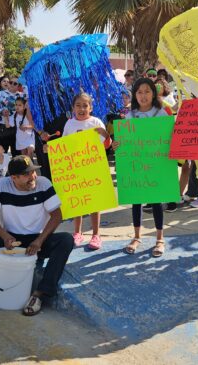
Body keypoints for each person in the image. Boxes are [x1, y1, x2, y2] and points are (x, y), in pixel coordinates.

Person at [0, 155, 74, 316]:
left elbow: (57, 215)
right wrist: (4, 236)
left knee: (66, 240)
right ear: (13, 177)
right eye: (27, 174)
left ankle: (40, 294)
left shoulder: (44, 184)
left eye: (33, 172)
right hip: (9, 240)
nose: (33, 177)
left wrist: (39, 240)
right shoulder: (2, 185)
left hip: (37, 241)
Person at [112, 78, 169, 257]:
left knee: (156, 201)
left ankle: (160, 239)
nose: (143, 95)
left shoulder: (162, 114)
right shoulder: (130, 115)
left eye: (147, 91)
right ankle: (137, 237)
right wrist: (117, 145)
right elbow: (123, 141)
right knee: (136, 201)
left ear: (154, 93)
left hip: (156, 164)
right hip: (136, 166)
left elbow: (168, 137)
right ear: (134, 95)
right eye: (139, 92)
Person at [63, 93, 112, 250]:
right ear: (73, 108)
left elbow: (106, 145)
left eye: (85, 105)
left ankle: (96, 235)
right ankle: (77, 232)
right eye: (78, 105)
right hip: (75, 169)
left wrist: (106, 135)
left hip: (92, 168)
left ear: (91, 107)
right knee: (78, 202)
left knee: (94, 202)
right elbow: (63, 146)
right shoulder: (69, 124)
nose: (82, 108)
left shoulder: (96, 122)